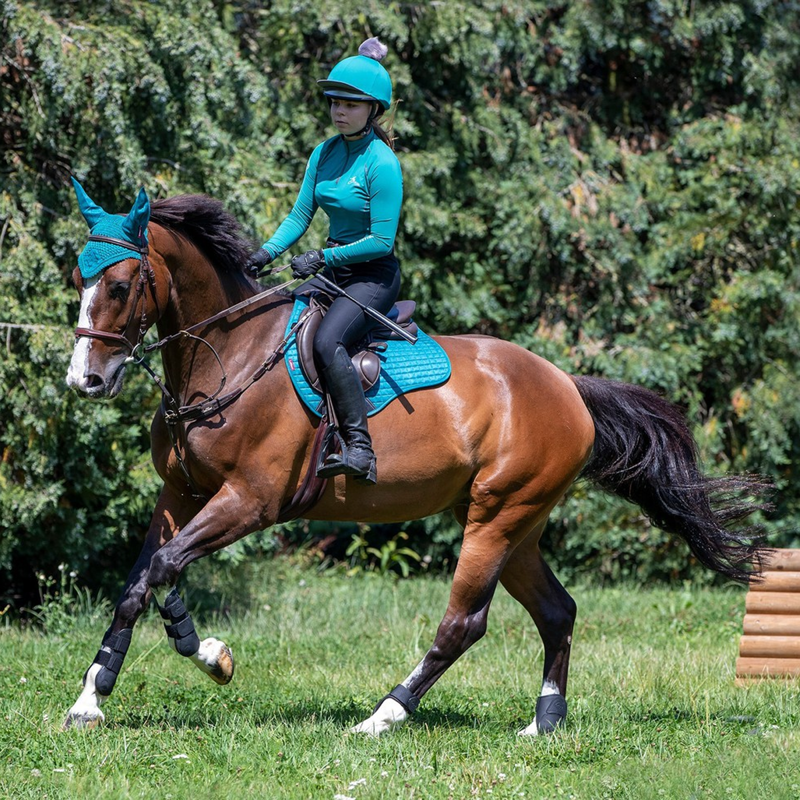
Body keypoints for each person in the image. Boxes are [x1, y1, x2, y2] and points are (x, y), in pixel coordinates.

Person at [247, 38, 402, 487]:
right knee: (278, 324)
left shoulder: (382, 163)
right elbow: (299, 216)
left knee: (328, 340)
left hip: (372, 276)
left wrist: (322, 255)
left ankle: (360, 449)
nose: (339, 110)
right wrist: (263, 254)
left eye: (351, 104)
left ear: (373, 110)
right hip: (333, 269)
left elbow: (381, 240)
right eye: (335, 101)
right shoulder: (324, 152)